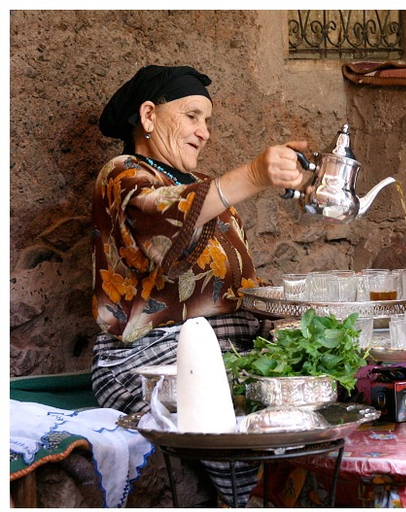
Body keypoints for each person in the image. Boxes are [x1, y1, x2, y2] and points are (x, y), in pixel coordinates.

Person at [91, 64, 306, 506]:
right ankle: (248, 502)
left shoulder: (208, 197)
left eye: (207, 121)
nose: (204, 132)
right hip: (147, 363)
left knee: (315, 389)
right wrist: (253, 175)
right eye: (192, 116)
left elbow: (239, 286)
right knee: (244, 403)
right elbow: (161, 218)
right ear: (148, 116)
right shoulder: (122, 175)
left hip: (229, 353)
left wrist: (290, 320)